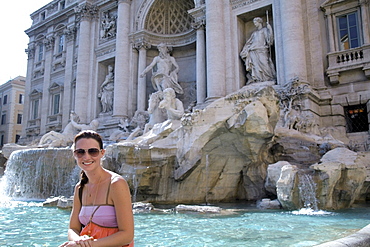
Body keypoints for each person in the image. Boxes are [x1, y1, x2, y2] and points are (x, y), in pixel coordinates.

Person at [59, 131, 134, 247]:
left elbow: (127, 235)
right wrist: (79, 241)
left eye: (92, 151)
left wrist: (87, 245)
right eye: (80, 152)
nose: (86, 157)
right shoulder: (80, 188)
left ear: (102, 153)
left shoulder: (116, 184)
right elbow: (73, 228)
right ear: (75, 154)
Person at [240, 17, 276, 83]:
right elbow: (249, 43)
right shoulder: (254, 33)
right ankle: (258, 79)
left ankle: (268, 78)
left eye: (255, 23)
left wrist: (270, 29)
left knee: (265, 64)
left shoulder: (264, 30)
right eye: (254, 23)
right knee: (255, 66)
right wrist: (247, 49)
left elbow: (269, 40)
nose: (255, 24)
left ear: (259, 22)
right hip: (253, 51)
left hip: (262, 50)